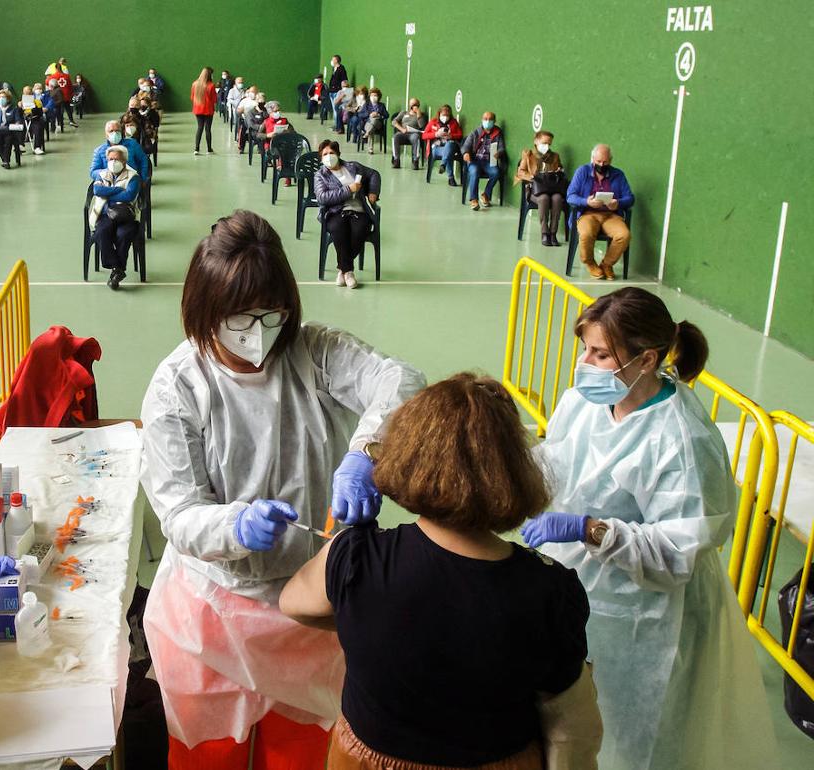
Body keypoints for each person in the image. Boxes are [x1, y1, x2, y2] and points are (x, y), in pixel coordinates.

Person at [141, 209, 426, 770]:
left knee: (300, 754)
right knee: (209, 754)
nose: (256, 335)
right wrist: (233, 527)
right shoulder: (179, 387)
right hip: (214, 614)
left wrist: (365, 454)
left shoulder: (312, 352)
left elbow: (400, 380)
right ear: (205, 313)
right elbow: (178, 513)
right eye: (237, 320)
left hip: (310, 609)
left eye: (270, 315)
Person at [279, 373, 602, 770]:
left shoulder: (356, 557)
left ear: (407, 456)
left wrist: (368, 619)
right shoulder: (551, 590)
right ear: (513, 470)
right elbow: (572, 726)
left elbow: (294, 603)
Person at [522, 288, 779, 770]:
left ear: (646, 359)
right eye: (585, 348)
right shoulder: (585, 400)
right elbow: (555, 455)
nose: (585, 363)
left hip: (649, 614)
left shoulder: (681, 439)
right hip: (584, 591)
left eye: (600, 354)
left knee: (634, 739)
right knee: (575, 715)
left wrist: (589, 529)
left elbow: (676, 552)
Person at [314, 140, 380, 289]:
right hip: (335, 212)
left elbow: (374, 174)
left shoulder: (353, 167)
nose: (329, 156)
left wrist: (373, 192)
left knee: (360, 231)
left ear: (338, 154)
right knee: (339, 230)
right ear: (321, 158)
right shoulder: (320, 175)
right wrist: (349, 189)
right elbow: (323, 197)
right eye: (325, 154)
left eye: (331, 153)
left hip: (358, 210)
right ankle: (348, 272)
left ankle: (342, 269)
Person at [566, 144, 633, 280]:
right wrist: (586, 202)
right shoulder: (582, 172)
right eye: (598, 162)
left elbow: (630, 198)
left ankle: (607, 264)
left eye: (605, 162)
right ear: (592, 159)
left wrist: (618, 203)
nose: (602, 165)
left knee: (624, 235)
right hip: (587, 214)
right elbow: (570, 196)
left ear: (610, 160)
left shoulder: (618, 175)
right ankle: (590, 263)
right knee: (586, 233)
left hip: (611, 215)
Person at [89, 144, 142, 290]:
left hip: (126, 216)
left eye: (116, 159)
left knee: (123, 235)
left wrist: (108, 193)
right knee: (101, 231)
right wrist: (117, 190)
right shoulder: (102, 174)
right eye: (110, 159)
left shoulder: (133, 176)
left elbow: (129, 195)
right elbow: (97, 189)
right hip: (105, 213)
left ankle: (116, 271)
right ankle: (117, 269)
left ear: (124, 162)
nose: (113, 162)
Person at [514, 130, 567, 247]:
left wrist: (558, 171)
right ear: (536, 141)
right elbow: (520, 172)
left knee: (558, 199)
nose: (546, 146)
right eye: (544, 143)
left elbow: (560, 170)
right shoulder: (528, 155)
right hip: (535, 190)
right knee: (544, 199)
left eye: (549, 144)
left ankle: (553, 233)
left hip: (552, 188)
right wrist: (532, 177)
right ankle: (544, 232)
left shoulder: (555, 156)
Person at [461, 111, 506, 210]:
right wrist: (466, 153)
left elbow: (502, 148)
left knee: (496, 173)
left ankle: (486, 194)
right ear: (482, 120)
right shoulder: (475, 133)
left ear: (494, 121)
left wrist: (499, 153)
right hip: (475, 161)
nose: (487, 121)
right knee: (474, 172)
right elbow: (465, 146)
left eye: (490, 119)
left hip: (489, 162)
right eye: (485, 119)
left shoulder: (498, 133)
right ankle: (474, 199)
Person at [422, 104, 463, 186]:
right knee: (448, 154)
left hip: (451, 145)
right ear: (439, 114)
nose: (445, 117)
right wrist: (436, 134)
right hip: (437, 149)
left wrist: (451, 136)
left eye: (447, 115)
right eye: (444, 115)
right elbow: (424, 135)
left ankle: (443, 164)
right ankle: (451, 178)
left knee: (449, 145)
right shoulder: (433, 122)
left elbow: (460, 135)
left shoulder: (454, 122)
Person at [390, 98, 426, 168]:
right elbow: (394, 122)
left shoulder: (421, 115)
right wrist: (401, 129)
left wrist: (418, 115)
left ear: (418, 105)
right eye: (412, 104)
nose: (414, 106)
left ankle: (415, 161)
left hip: (413, 134)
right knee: (395, 137)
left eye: (415, 104)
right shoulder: (404, 113)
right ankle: (396, 160)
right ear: (409, 105)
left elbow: (422, 126)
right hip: (403, 133)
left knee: (416, 137)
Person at [0, 89, 21, 168]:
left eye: (4, 97)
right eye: (0, 97)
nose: (2, 99)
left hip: (9, 130)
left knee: (8, 141)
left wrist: (17, 123)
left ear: (8, 99)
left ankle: (6, 161)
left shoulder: (13, 108)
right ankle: (5, 160)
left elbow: (17, 119)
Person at [191, 67, 217, 155]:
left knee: (199, 128)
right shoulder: (211, 85)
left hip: (198, 109)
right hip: (208, 110)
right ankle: (209, 149)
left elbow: (192, 97)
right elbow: (214, 100)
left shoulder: (195, 84)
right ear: (210, 75)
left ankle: (196, 149)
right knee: (208, 129)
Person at [359, 88, 388, 154]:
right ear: (370, 96)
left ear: (378, 96)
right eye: (372, 95)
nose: (373, 97)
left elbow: (386, 115)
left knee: (374, 119)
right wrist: (369, 114)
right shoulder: (366, 105)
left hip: (378, 124)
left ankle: (367, 134)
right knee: (372, 128)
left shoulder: (381, 105)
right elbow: (360, 114)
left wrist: (378, 114)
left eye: (375, 95)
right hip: (367, 123)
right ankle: (370, 149)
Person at [21, 85, 47, 156]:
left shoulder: (37, 102)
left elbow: (40, 113)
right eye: (25, 93)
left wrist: (33, 109)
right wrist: (20, 107)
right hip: (25, 120)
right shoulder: (21, 102)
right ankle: (21, 146)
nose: (27, 95)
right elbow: (18, 114)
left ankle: (37, 147)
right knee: (19, 128)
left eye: (29, 93)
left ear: (32, 94)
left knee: (38, 128)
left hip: (35, 120)